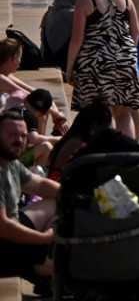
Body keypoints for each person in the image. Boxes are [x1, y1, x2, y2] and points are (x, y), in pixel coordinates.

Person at [65, 0, 139, 136]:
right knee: (123, 113)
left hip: (96, 62)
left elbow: (77, 39)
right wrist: (126, 51)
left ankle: (105, 154)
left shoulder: (86, 0)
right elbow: (136, 31)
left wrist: (69, 69)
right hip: (125, 60)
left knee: (101, 113)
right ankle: (127, 153)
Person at [0, 104, 57, 289]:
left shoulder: (10, 162)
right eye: (12, 135)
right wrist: (44, 239)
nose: (19, 141)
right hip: (5, 240)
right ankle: (43, 270)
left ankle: (43, 266)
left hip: (11, 229)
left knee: (59, 201)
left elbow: (38, 184)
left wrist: (75, 191)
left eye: (23, 136)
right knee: (66, 265)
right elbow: (4, 228)